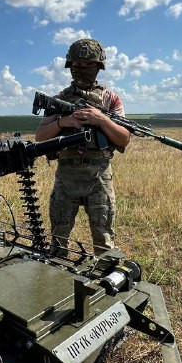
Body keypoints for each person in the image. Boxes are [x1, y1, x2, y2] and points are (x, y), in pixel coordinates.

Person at [35, 38, 130, 255]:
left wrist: (101, 119)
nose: (82, 69)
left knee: (104, 239)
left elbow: (124, 139)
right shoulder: (59, 99)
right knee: (58, 239)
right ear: (70, 66)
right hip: (66, 175)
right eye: (77, 65)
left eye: (88, 65)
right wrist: (62, 122)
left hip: (99, 176)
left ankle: (106, 274)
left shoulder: (110, 100)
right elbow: (40, 137)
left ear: (98, 67)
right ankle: (56, 273)